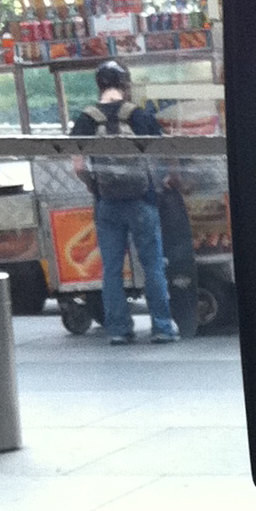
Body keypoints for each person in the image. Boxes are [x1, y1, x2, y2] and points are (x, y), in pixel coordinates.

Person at [71, 61, 180, 345]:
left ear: (99, 85)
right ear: (125, 84)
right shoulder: (138, 115)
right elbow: (166, 150)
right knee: (152, 266)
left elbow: (79, 166)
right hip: (142, 200)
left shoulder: (86, 118)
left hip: (107, 204)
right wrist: (169, 178)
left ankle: (119, 330)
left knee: (111, 270)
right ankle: (162, 327)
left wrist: (94, 186)